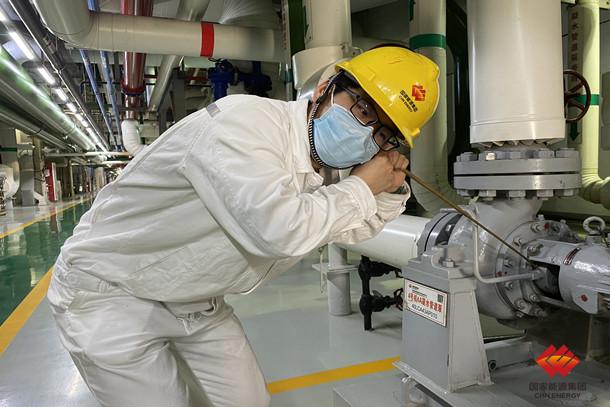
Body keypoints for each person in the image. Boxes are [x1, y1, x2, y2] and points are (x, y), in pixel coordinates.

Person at [47, 46, 439, 407]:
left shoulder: (327, 170)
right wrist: (364, 185)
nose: (367, 133)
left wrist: (388, 188)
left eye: (383, 135)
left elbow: (350, 226)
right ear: (324, 89)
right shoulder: (244, 124)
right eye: (364, 110)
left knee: (248, 401)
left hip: (195, 298)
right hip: (110, 292)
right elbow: (280, 231)